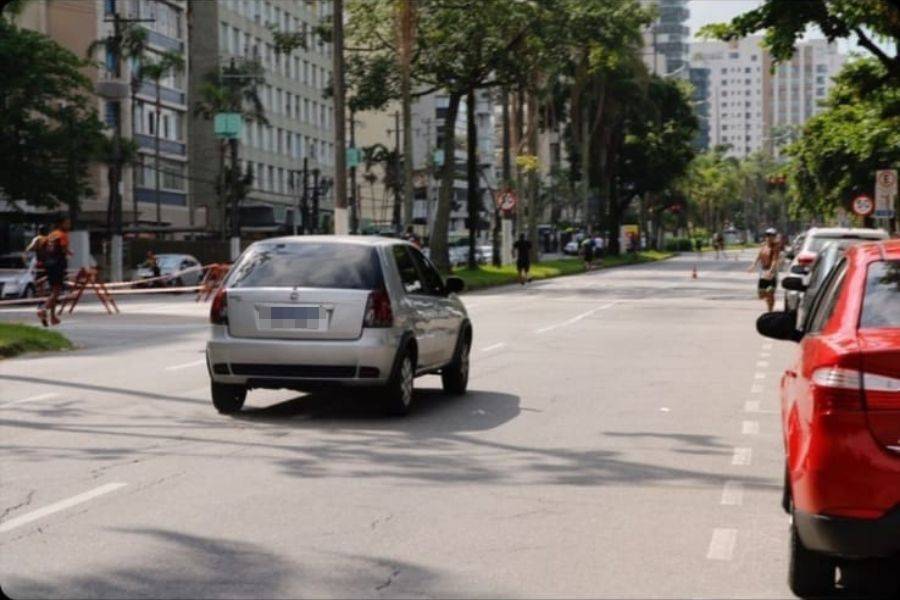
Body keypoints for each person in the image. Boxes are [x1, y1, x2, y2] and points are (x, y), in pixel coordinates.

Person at [36, 217, 71, 327]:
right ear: (61, 224)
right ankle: (43, 309)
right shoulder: (62, 235)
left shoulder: (51, 235)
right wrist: (69, 253)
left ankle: (52, 316)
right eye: (67, 223)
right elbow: (64, 249)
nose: (68, 225)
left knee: (53, 292)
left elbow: (43, 248)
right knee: (56, 291)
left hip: (48, 263)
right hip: (58, 265)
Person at [749, 227, 782, 313]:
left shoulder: (775, 247)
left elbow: (775, 260)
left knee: (770, 293)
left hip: (771, 273)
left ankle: (770, 311)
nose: (769, 237)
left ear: (774, 237)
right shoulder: (763, 245)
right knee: (761, 295)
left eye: (772, 235)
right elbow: (759, 255)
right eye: (768, 235)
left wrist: (771, 271)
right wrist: (753, 265)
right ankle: (769, 302)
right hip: (763, 272)